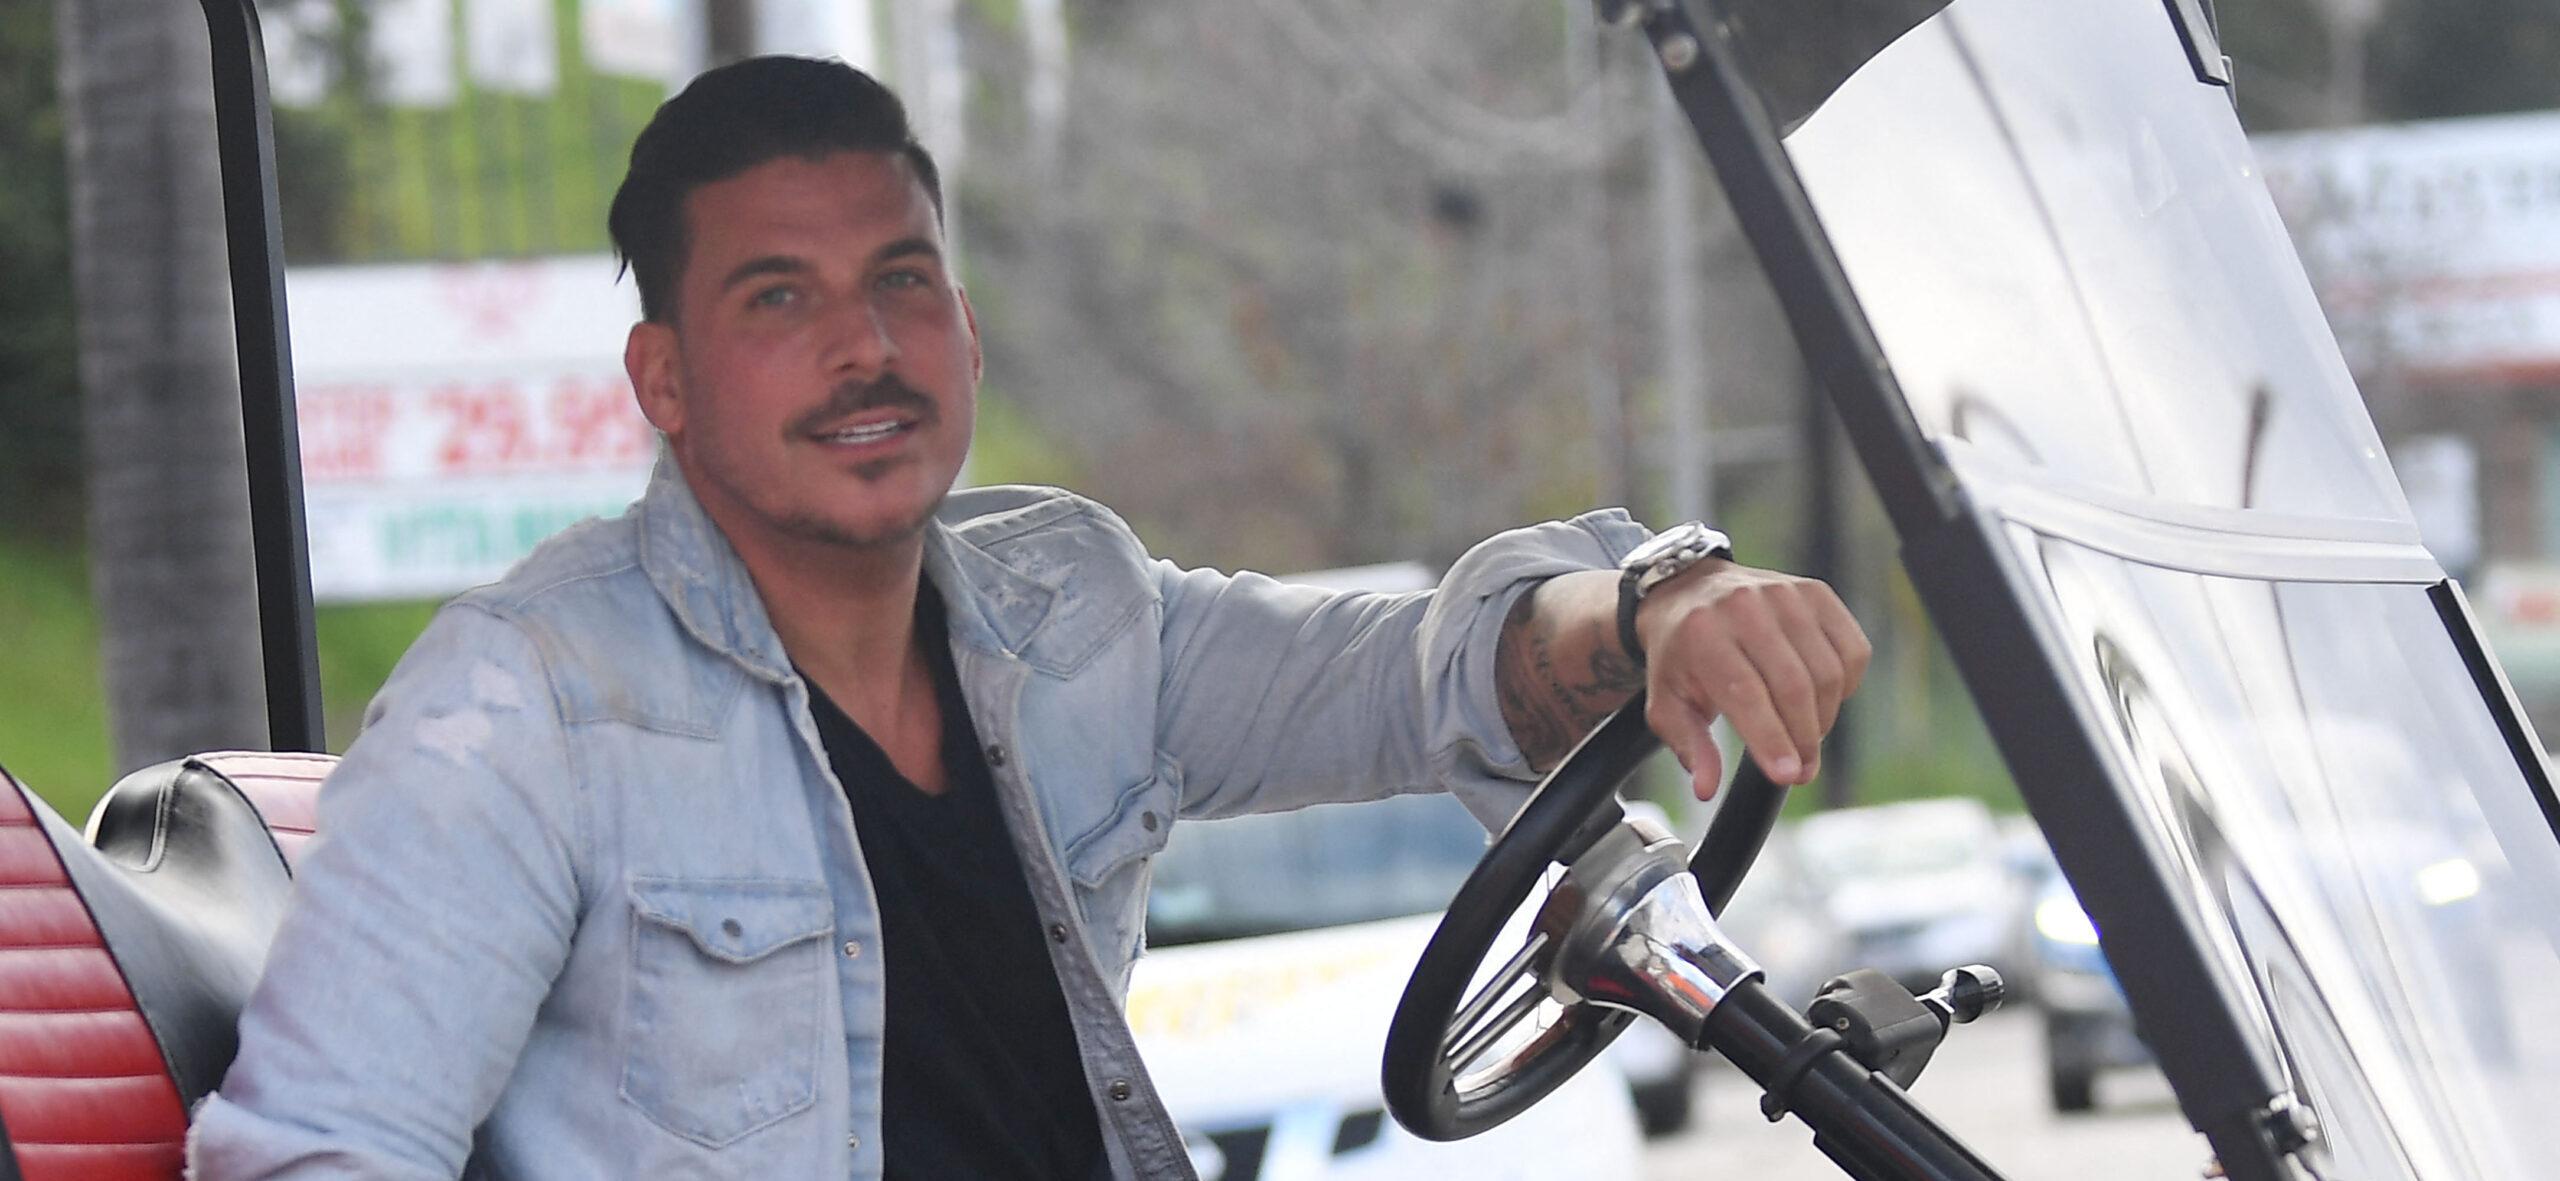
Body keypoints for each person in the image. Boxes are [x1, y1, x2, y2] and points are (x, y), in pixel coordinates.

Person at [189, 56, 1867, 1180]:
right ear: (667, 380)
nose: (865, 345)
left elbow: (1419, 674)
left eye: (899, 279)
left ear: (967, 332)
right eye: (780, 297)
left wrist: (1655, 596)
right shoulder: (521, 709)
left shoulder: (1075, 608)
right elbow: (315, 1156)